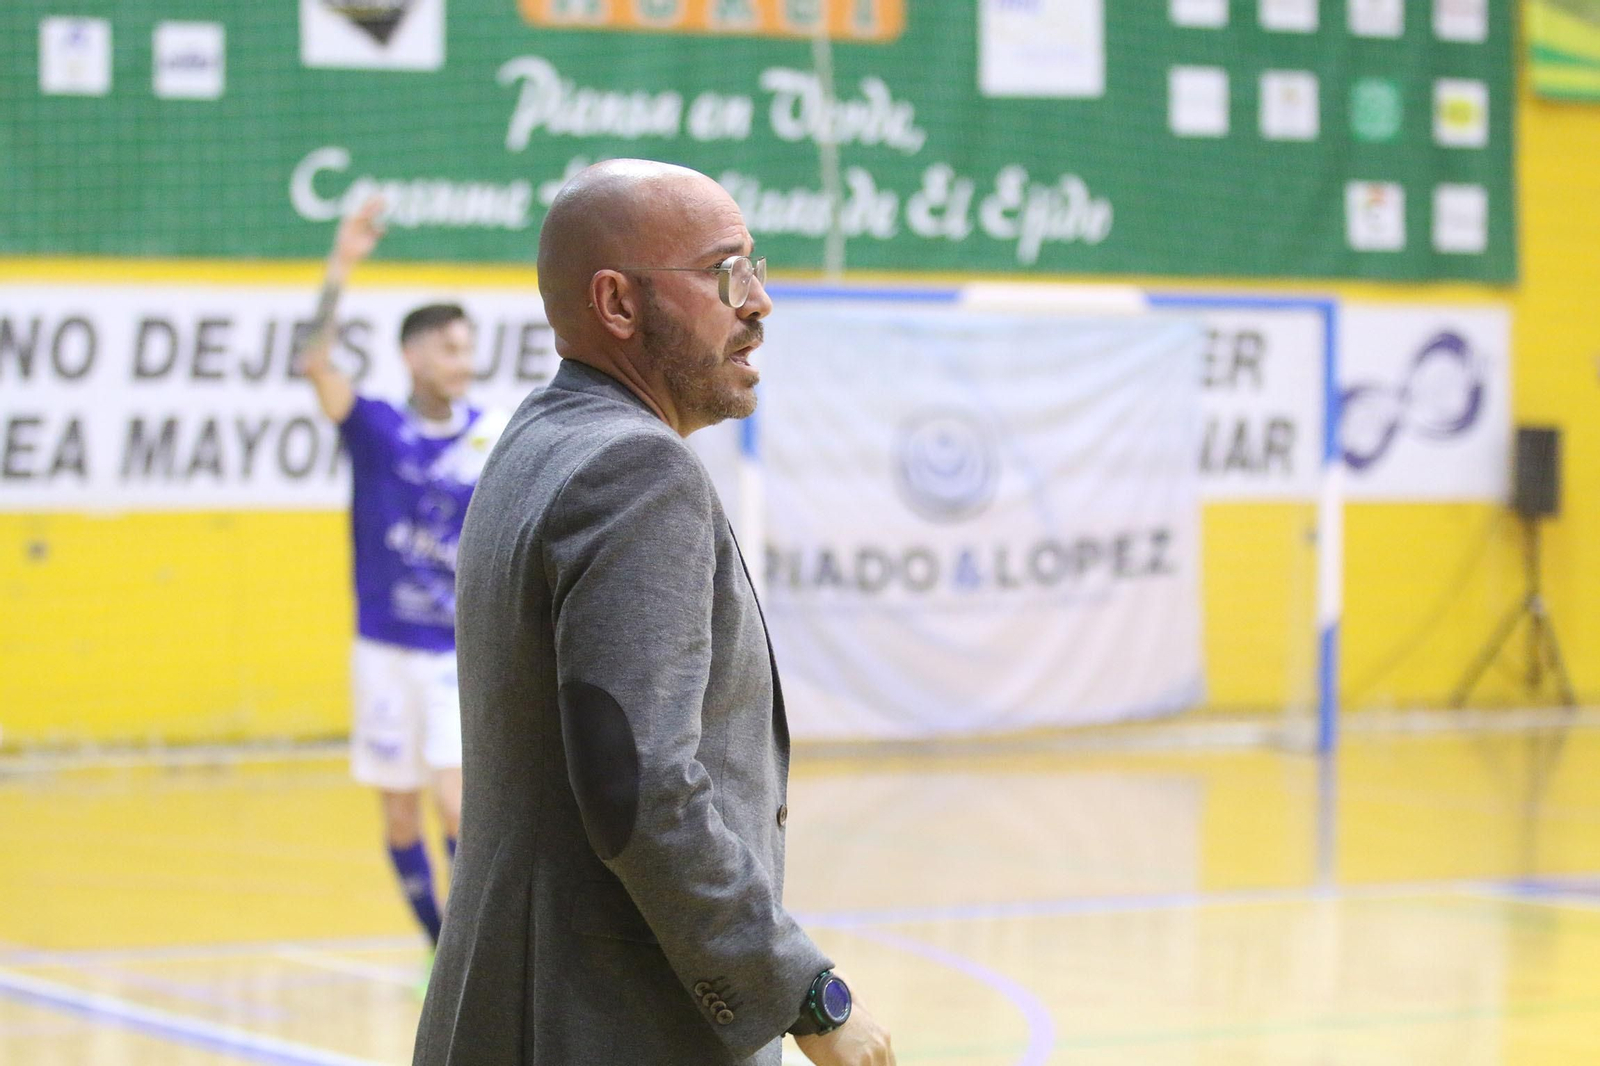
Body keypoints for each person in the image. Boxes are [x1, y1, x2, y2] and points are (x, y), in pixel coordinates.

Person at [412, 159, 896, 1066]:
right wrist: (807, 996)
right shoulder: (637, 475)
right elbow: (641, 788)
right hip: (600, 1027)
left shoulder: (536, 440)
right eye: (724, 274)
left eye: (756, 266)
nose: (758, 302)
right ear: (618, 305)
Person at [298, 197, 503, 966]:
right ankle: (437, 946)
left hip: (453, 655)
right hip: (382, 649)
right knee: (399, 821)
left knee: (457, 805)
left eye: (468, 350)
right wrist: (342, 263)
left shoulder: (490, 435)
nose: (464, 364)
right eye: (451, 350)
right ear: (416, 357)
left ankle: (466, 961)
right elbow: (314, 362)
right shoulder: (378, 428)